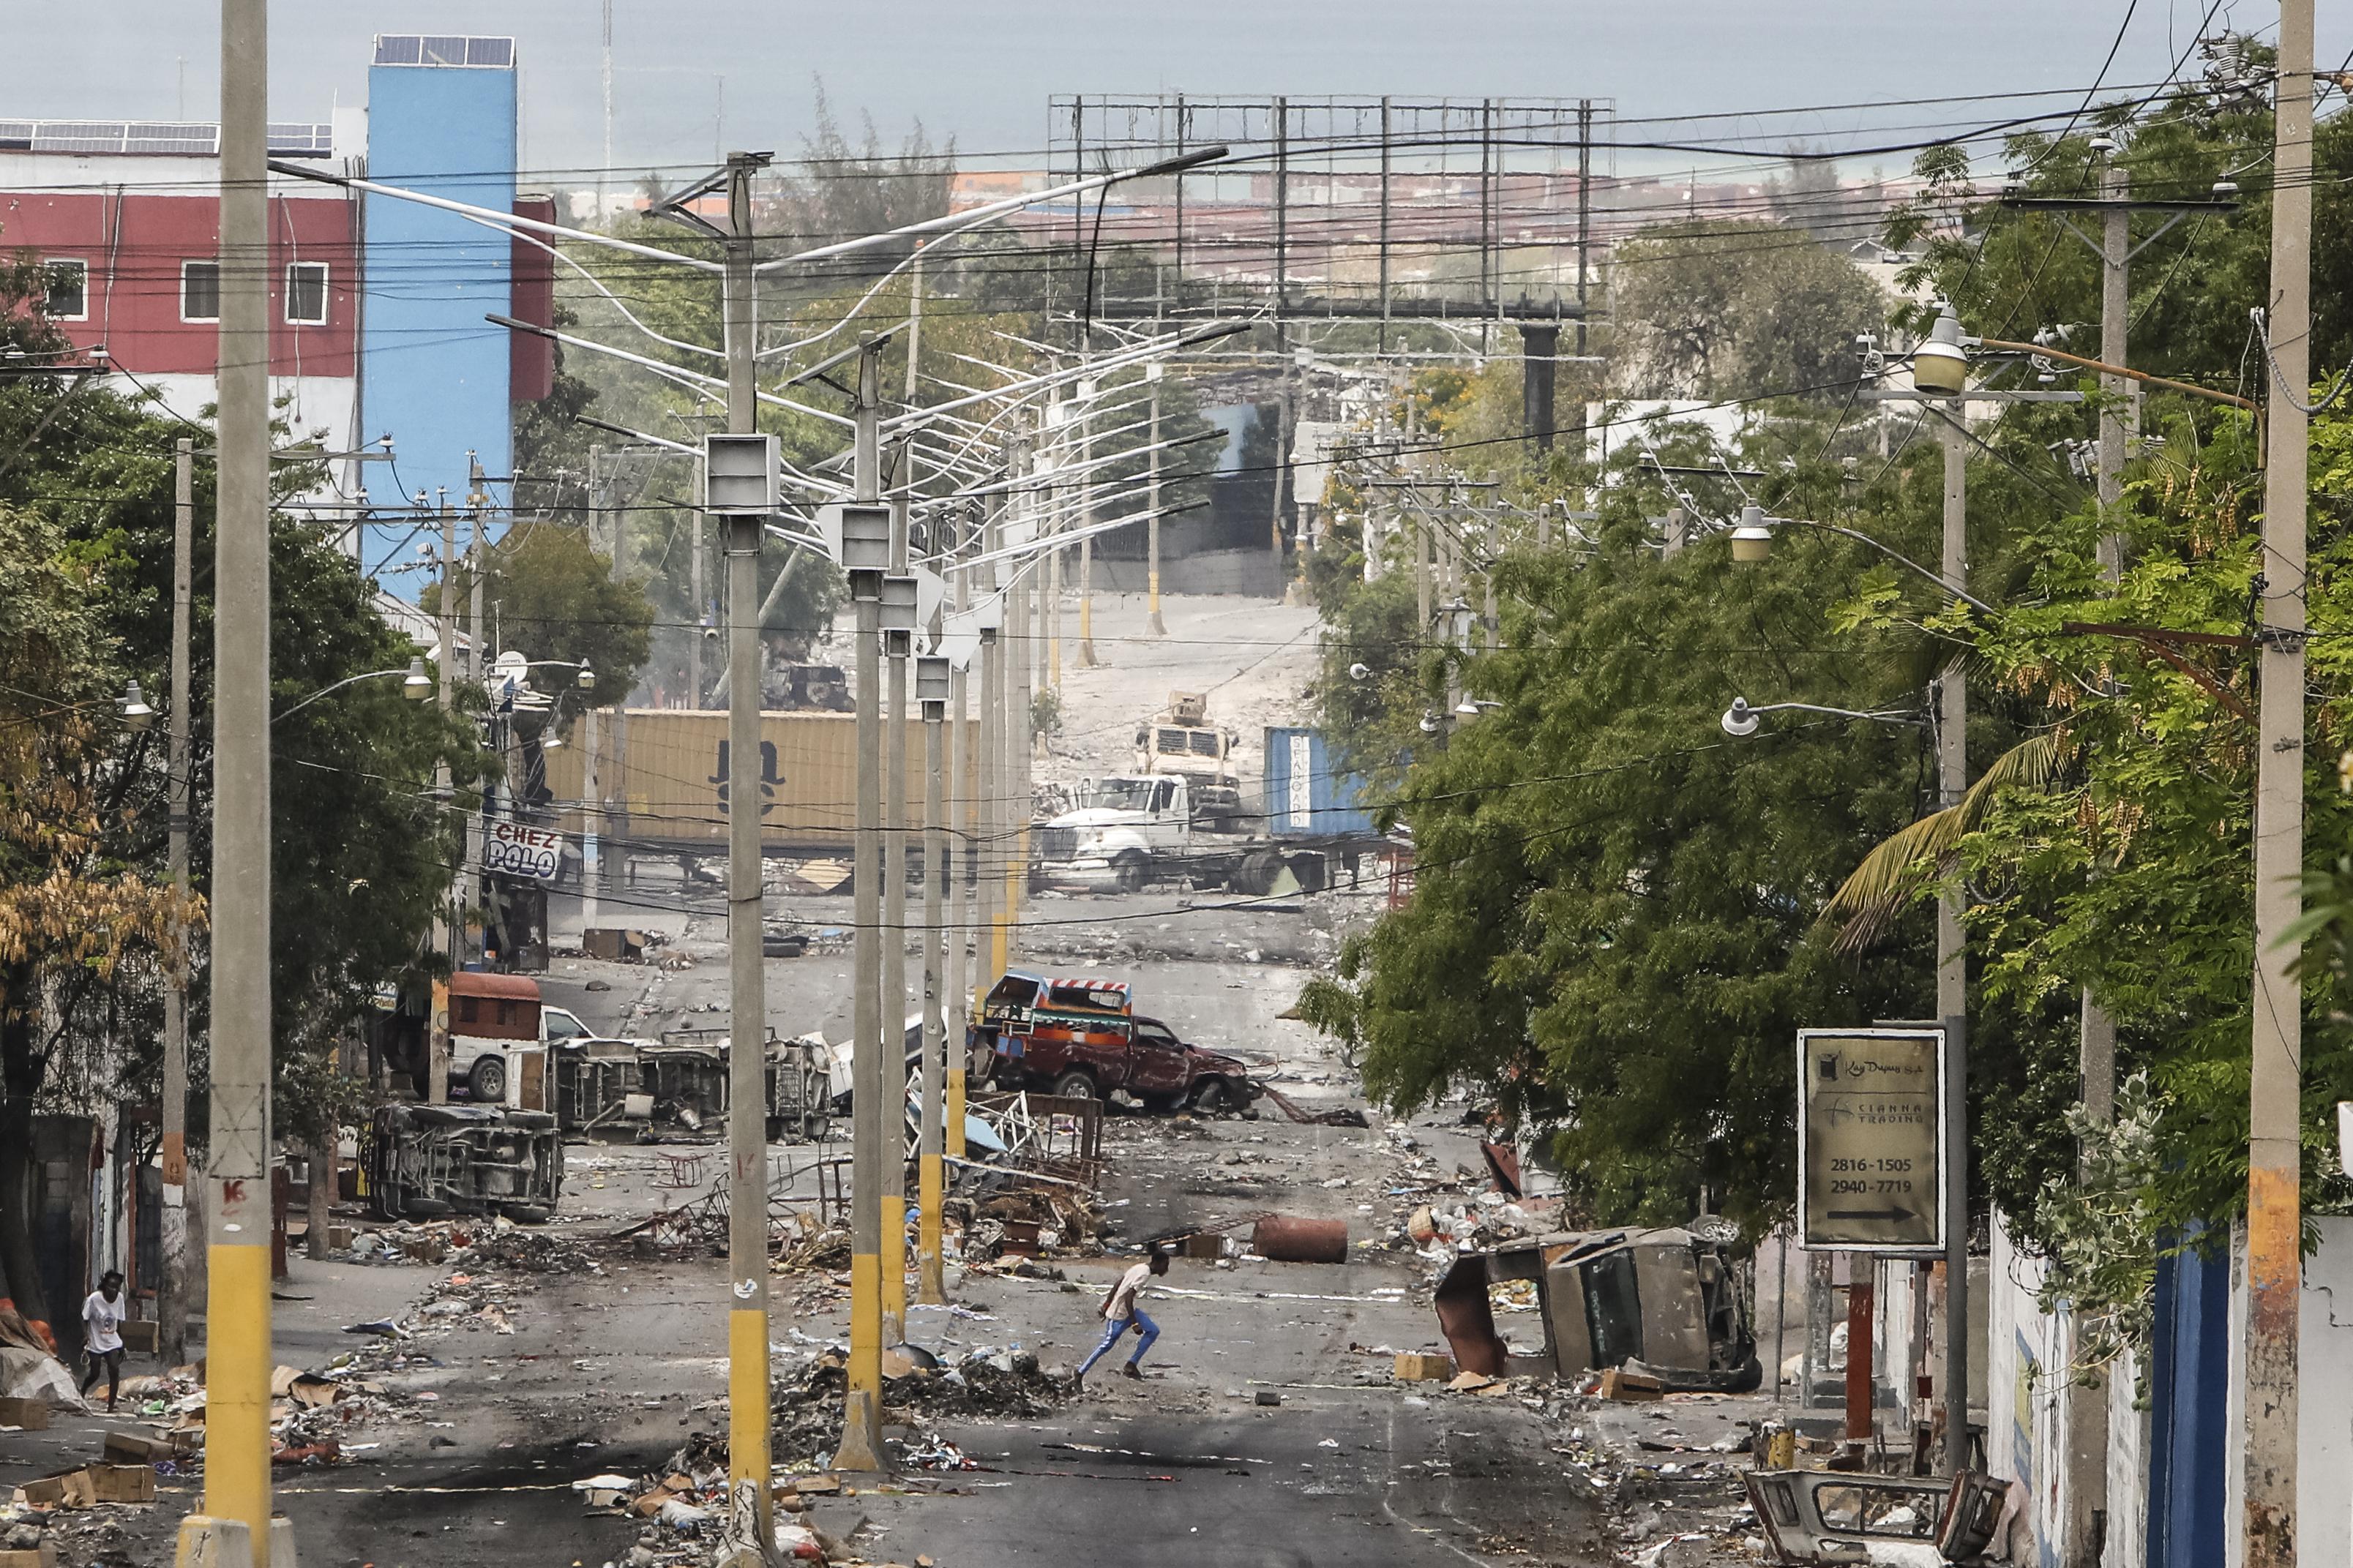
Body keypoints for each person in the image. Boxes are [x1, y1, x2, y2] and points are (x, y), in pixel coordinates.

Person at [1077, 1248, 1168, 1384]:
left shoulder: (1140, 1267)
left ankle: (1131, 1365)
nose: (1166, 1269)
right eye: (1165, 1265)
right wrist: (1134, 1323)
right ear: (1158, 1263)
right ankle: (1079, 1373)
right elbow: (1129, 1297)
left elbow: (1119, 1282)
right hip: (1119, 1315)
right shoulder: (1144, 1274)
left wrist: (1107, 1303)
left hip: (1127, 1311)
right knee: (1106, 1345)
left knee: (1153, 1331)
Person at [79, 1272, 127, 1413]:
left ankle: (111, 1406)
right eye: (111, 1286)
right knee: (95, 1373)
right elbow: (84, 1318)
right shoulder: (94, 1299)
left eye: (117, 1288)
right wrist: (85, 1335)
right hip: (95, 1340)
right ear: (105, 1286)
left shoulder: (120, 1299)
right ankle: (82, 1390)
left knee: (114, 1369)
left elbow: (120, 1320)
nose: (114, 1291)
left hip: (112, 1341)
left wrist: (122, 1343)